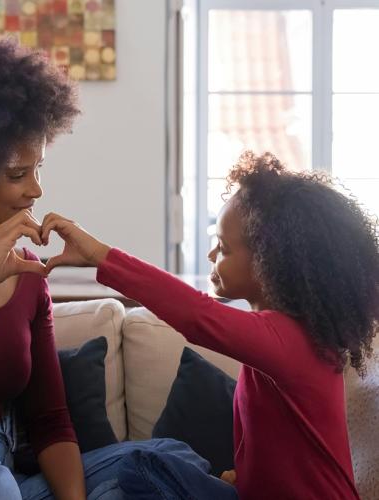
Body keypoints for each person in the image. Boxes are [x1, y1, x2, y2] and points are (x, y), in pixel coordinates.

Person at [0, 37, 238, 500]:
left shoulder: (27, 274)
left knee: (163, 459)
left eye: (38, 169)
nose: (35, 190)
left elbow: (50, 420)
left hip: (3, 479)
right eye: (17, 174)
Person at [40, 151, 379, 500]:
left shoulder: (289, 340)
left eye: (224, 247)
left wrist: (100, 254)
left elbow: (197, 316)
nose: (211, 256)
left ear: (268, 259)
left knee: (139, 467)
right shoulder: (281, 334)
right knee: (144, 467)